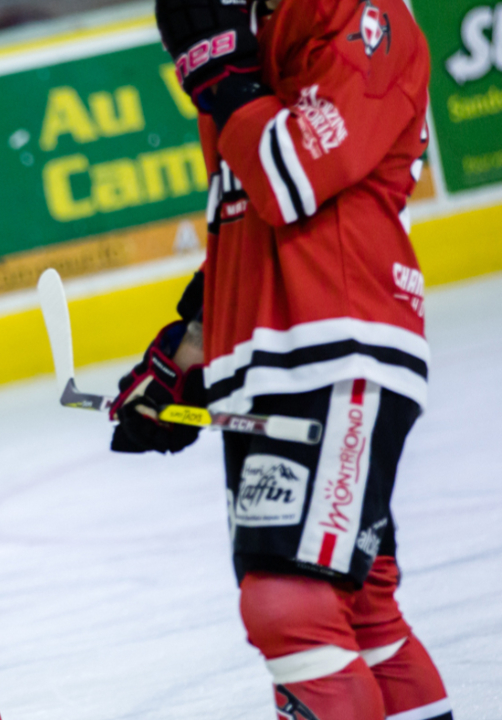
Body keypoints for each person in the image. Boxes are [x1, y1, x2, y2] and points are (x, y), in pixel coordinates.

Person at [108, 0, 452, 718]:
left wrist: (221, 76)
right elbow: (248, 217)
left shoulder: (358, 11)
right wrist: (187, 356)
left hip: (336, 339)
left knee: (291, 606)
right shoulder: (251, 27)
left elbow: (292, 175)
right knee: (362, 616)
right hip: (273, 354)